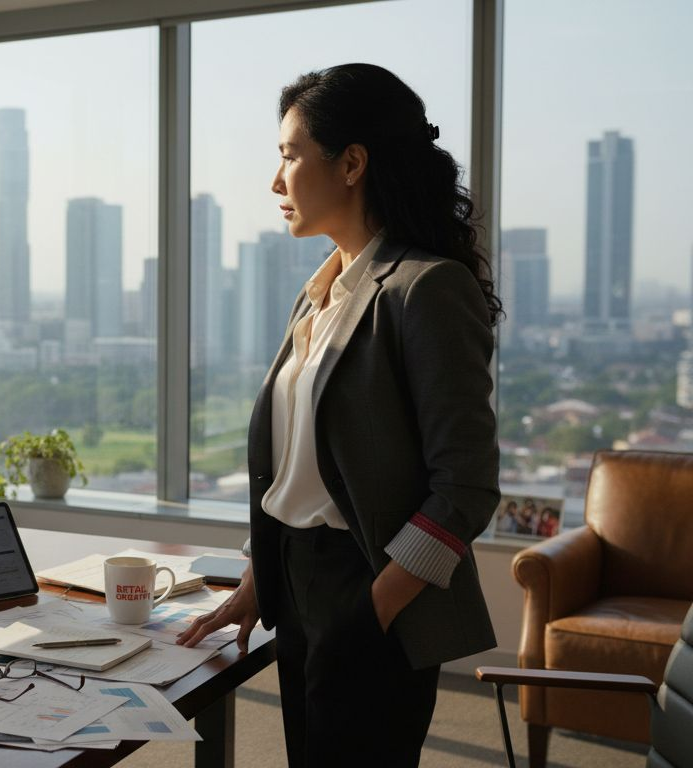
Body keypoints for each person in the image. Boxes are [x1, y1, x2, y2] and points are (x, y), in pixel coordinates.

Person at [178, 63, 501, 767]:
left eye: (290, 156)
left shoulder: (425, 289)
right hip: (297, 582)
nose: (276, 181)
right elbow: (300, 467)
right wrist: (258, 581)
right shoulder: (318, 295)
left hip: (370, 585)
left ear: (352, 163)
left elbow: (466, 485)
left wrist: (374, 609)